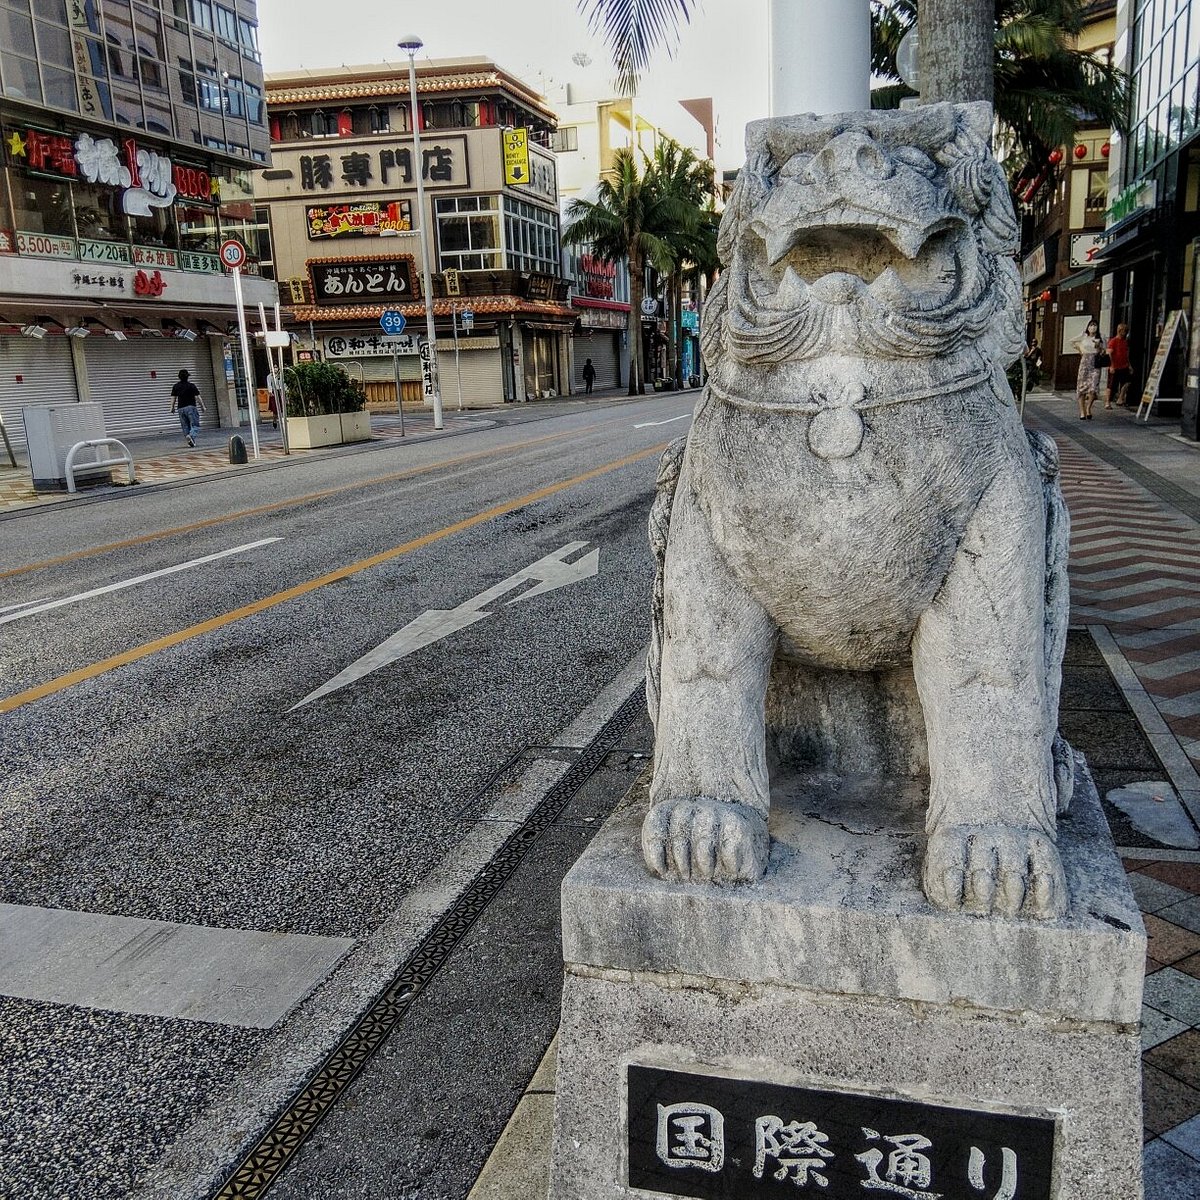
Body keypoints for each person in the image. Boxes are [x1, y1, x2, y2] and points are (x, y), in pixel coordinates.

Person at [1073, 319, 1104, 420]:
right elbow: (1073, 342)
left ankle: (1088, 407)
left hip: (1095, 363)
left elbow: (1103, 351)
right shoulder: (1084, 337)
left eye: (1095, 325)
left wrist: (1098, 346)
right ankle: (1082, 411)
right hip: (1084, 363)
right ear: (1088, 327)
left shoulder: (1100, 338)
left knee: (1093, 387)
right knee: (1082, 387)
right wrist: (1080, 350)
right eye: (1091, 325)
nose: (1093, 327)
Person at [170, 369, 205, 446]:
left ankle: (190, 442)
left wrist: (172, 407)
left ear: (179, 377)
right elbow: (198, 397)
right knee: (195, 424)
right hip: (191, 407)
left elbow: (173, 398)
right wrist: (202, 406)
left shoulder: (176, 386)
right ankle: (191, 436)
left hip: (180, 408)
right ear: (187, 377)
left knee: (185, 425)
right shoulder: (191, 386)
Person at [1106, 323, 1133, 409]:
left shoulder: (1125, 342)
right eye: (1123, 331)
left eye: (1125, 332)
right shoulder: (1113, 341)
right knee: (1111, 385)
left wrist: (1129, 365)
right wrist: (1111, 366)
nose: (1124, 333)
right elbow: (1109, 353)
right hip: (1115, 366)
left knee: (1127, 382)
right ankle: (1107, 402)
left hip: (1124, 366)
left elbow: (1126, 355)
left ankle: (1120, 398)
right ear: (1119, 331)